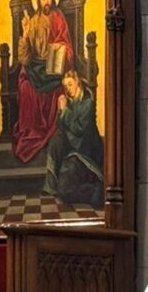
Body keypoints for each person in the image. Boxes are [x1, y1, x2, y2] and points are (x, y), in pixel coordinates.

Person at [13, 0, 75, 163]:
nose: (46, 1)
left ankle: (53, 133)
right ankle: (31, 132)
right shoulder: (33, 21)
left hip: (54, 67)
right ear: (38, 1)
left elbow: (67, 44)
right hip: (35, 67)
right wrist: (25, 35)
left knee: (57, 90)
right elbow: (24, 59)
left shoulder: (59, 17)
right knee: (25, 87)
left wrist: (58, 49)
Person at [42, 70, 104, 207]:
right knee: (55, 143)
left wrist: (65, 111)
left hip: (85, 153)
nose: (68, 89)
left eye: (70, 84)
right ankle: (51, 188)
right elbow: (62, 127)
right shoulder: (71, 103)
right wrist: (61, 111)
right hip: (73, 148)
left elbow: (79, 130)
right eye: (66, 86)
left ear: (78, 84)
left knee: (65, 189)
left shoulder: (88, 104)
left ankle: (96, 192)